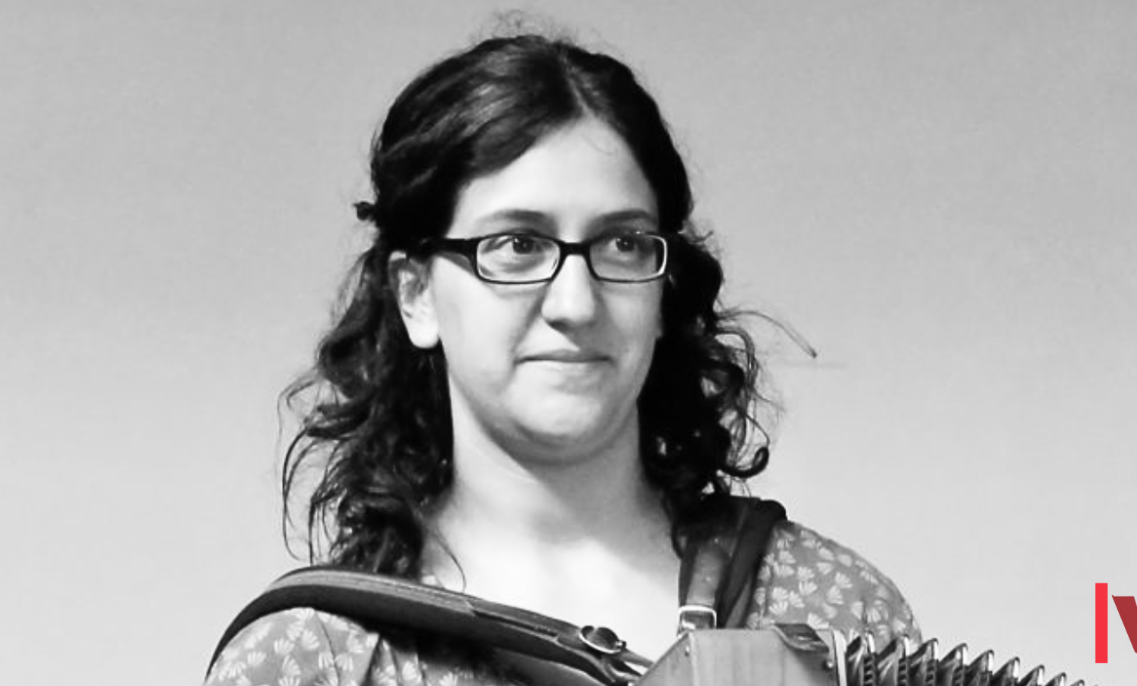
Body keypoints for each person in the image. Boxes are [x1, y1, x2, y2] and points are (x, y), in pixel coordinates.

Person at [206, 32, 919, 686]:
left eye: (622, 244)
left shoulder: (834, 616)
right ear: (416, 295)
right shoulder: (319, 662)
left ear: (664, 291)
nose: (575, 303)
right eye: (518, 245)